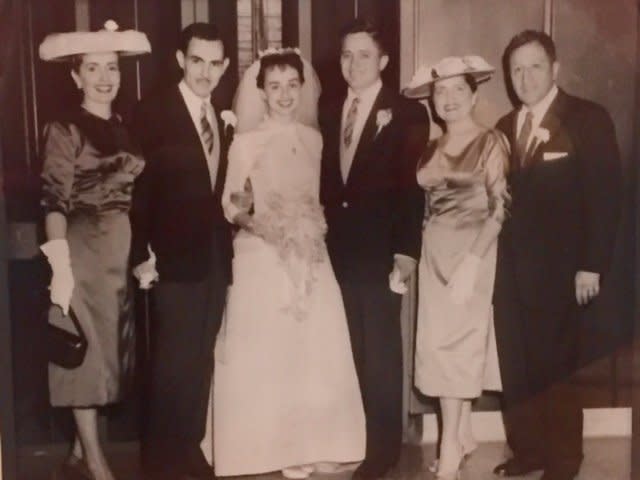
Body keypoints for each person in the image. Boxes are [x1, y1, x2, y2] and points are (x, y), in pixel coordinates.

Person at [213, 48, 366, 480]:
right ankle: (267, 447)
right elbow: (230, 204)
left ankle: (314, 444)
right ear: (261, 91)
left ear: (303, 89)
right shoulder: (246, 142)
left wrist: (305, 229)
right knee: (270, 351)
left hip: (310, 252)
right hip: (263, 253)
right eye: (274, 86)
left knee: (313, 352)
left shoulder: (315, 139)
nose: (284, 95)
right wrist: (263, 226)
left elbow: (321, 198)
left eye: (292, 86)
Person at [493, 30, 622, 480]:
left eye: (535, 67)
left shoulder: (587, 118)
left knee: (557, 370)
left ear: (555, 69)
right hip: (509, 277)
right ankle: (528, 452)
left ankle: (564, 461)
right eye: (517, 69)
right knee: (518, 369)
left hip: (563, 274)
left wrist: (591, 265)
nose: (525, 78)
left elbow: (606, 198)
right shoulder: (504, 129)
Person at [38, 20, 150, 480]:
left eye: (111, 68)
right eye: (93, 68)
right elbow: (53, 198)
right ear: (75, 76)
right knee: (84, 357)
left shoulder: (122, 126)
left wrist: (144, 251)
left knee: (108, 356)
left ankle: (80, 450)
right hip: (82, 251)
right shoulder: (64, 129)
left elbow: (134, 193)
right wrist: (60, 264)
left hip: (118, 254)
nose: (105, 77)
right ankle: (97, 463)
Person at [319, 17, 429, 479]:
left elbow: (411, 189)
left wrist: (406, 252)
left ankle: (382, 450)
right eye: (346, 54)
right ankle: (352, 439)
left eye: (364, 55)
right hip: (335, 251)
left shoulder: (406, 114)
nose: (353, 64)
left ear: (383, 60)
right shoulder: (329, 108)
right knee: (345, 349)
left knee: (380, 352)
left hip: (382, 251)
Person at [129, 22, 233, 480]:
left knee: (200, 357)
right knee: (171, 363)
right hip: (169, 260)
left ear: (225, 66)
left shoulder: (221, 115)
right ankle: (160, 464)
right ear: (179, 60)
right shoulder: (152, 113)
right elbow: (134, 193)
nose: (205, 72)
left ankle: (189, 448)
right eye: (197, 61)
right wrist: (140, 255)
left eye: (214, 64)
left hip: (213, 258)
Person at [403, 55, 509, 479]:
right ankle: (463, 434)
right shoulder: (430, 147)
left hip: (474, 253)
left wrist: (472, 261)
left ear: (474, 95)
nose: (447, 99)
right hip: (435, 256)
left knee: (458, 347)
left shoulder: (490, 141)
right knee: (440, 347)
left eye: (457, 91)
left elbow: (501, 208)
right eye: (439, 92)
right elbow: (426, 207)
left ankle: (449, 450)